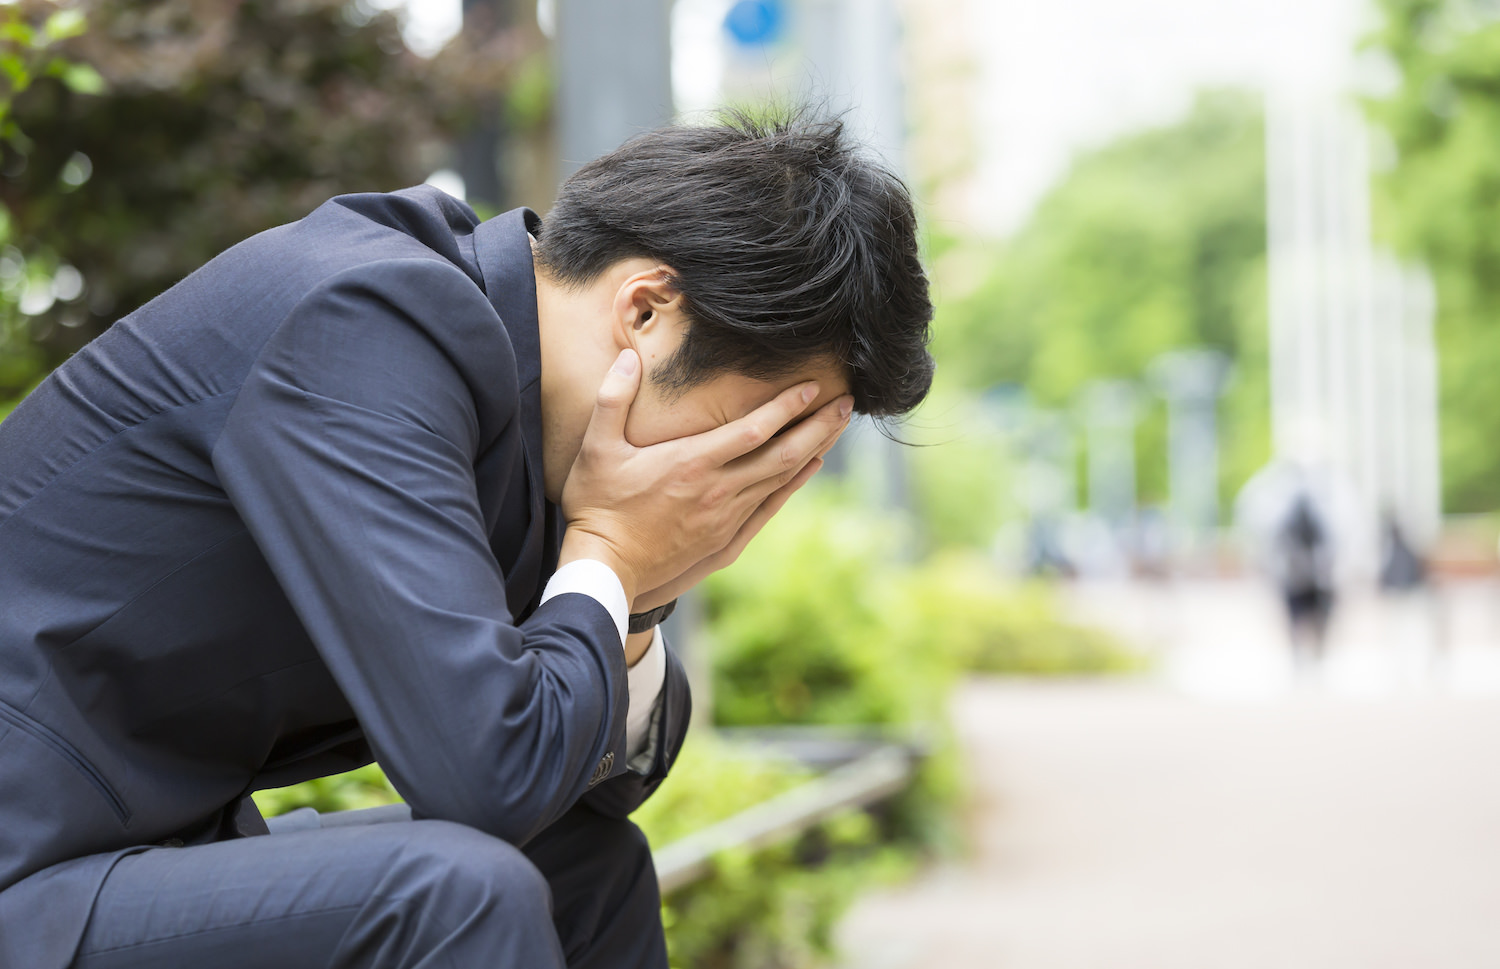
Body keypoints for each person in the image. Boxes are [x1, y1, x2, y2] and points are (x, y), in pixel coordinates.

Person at [0, 111, 934, 969]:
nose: (743, 477)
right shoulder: (367, 323)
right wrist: (610, 552)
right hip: (27, 864)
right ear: (647, 311)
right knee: (456, 895)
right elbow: (486, 778)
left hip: (125, 853)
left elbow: (600, 790)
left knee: (589, 869)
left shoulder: (526, 417)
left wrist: (638, 588)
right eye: (754, 435)